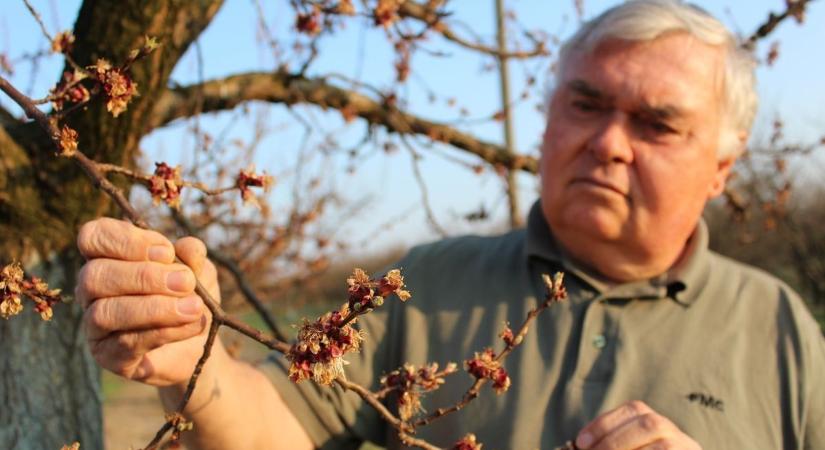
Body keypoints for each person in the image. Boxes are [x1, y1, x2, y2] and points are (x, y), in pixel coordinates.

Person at [75, 1, 825, 449]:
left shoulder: (780, 330)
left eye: (657, 124)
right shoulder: (428, 283)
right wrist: (195, 365)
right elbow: (280, 426)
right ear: (548, 116)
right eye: (586, 104)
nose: (609, 143)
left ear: (722, 167)